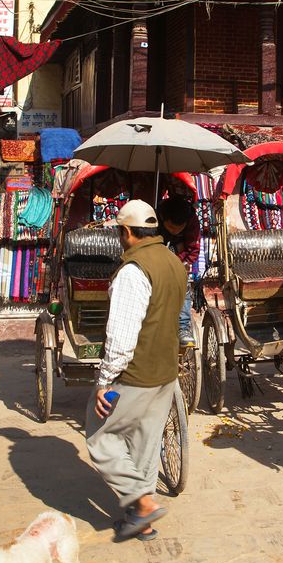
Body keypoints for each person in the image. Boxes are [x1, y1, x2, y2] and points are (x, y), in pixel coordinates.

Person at [87, 200, 186, 541]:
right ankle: (143, 518)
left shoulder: (133, 271)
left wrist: (104, 380)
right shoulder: (174, 262)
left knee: (101, 438)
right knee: (144, 444)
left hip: (135, 373)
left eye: (119, 231)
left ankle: (141, 503)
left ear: (127, 232)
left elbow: (121, 335)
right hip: (165, 373)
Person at [157, 196, 200, 345]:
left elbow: (193, 251)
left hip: (179, 261)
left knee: (183, 286)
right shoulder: (156, 217)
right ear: (163, 219)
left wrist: (182, 264)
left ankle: (183, 327)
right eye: (171, 228)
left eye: (178, 229)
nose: (174, 231)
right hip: (157, 257)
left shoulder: (192, 221)